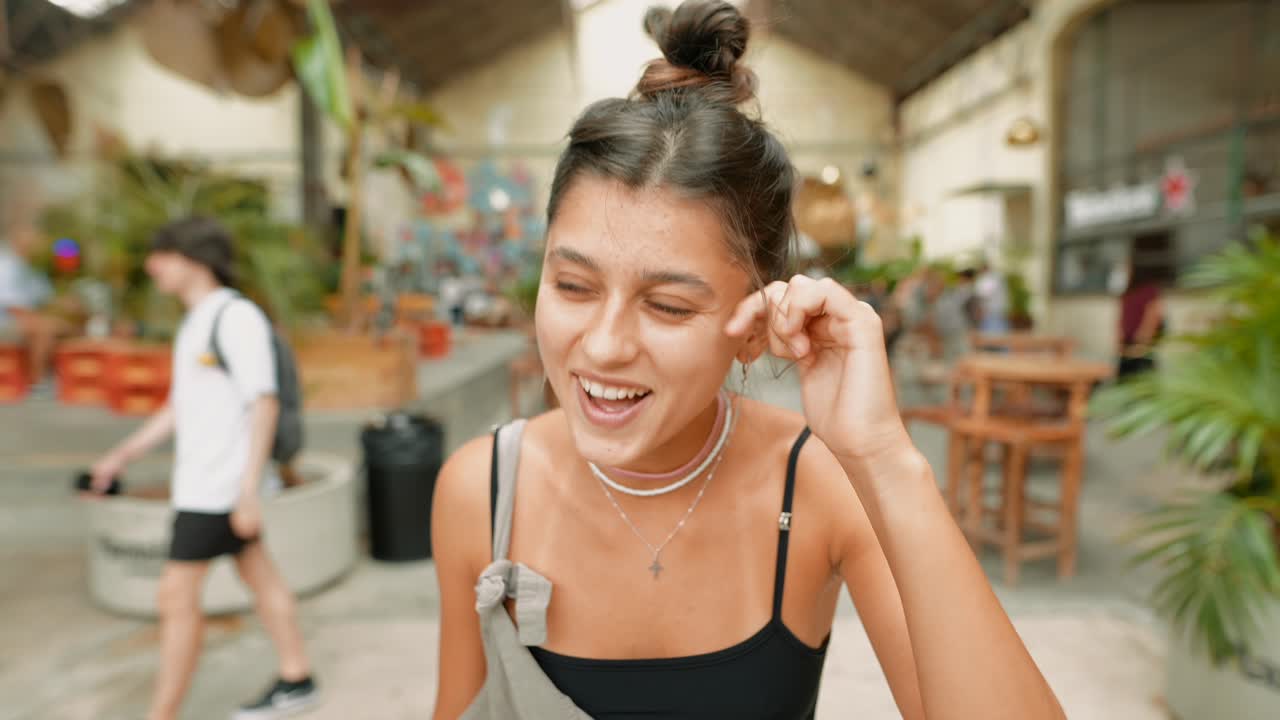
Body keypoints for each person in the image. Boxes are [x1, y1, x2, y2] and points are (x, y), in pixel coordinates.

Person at [430, 3, 1064, 719]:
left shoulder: (818, 486)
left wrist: (885, 459)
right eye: (573, 286)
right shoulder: (483, 492)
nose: (604, 345)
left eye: (668, 306)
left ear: (755, 325)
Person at [91, 217, 319, 720]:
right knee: (261, 579)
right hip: (207, 484)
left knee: (175, 597)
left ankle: (161, 715)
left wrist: (247, 491)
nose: (152, 265)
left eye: (161, 254)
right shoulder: (197, 320)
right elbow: (180, 407)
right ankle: (297, 676)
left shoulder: (235, 318)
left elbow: (264, 402)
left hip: (220, 489)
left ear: (191, 258)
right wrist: (121, 456)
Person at [0, 217, 73, 393]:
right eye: (33, 237)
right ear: (19, 239)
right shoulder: (6, 265)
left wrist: (68, 304)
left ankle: (62, 377)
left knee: (63, 326)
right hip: (6, 322)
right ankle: (37, 382)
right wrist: (41, 319)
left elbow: (47, 298)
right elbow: (13, 307)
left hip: (22, 320)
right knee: (45, 329)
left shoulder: (31, 268)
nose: (37, 243)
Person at [1117, 263, 1166, 378]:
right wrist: (1119, 336)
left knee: (1143, 377)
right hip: (1127, 342)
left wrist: (1144, 337)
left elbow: (1154, 314)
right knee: (1125, 378)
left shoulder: (1149, 290)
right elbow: (1121, 316)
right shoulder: (1128, 291)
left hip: (1141, 342)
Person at [975, 261, 1011, 335]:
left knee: (994, 332)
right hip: (996, 309)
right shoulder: (996, 277)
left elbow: (983, 294)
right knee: (999, 330)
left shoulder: (989, 279)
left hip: (992, 310)